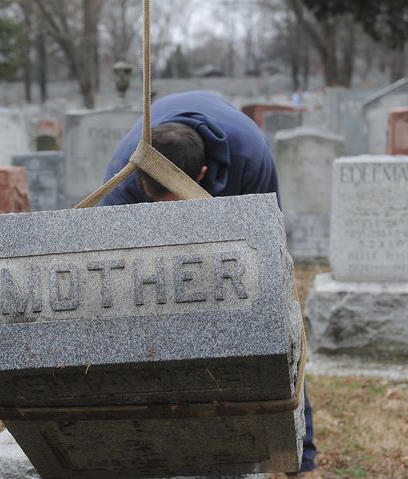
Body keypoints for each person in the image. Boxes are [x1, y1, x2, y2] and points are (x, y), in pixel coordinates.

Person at [100, 90, 317, 474]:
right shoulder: (126, 173)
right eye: (155, 202)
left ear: (199, 176)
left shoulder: (251, 158)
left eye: (172, 204)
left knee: (271, 324)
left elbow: (270, 253)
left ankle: (298, 452)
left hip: (235, 196)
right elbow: (105, 261)